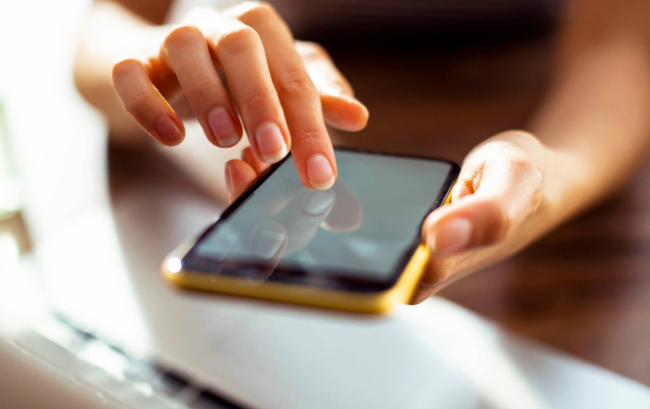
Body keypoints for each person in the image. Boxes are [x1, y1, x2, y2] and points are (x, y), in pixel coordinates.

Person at [75, 0, 650, 303]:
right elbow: (100, 35)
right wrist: (163, 58)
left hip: (530, 90)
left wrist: (548, 174)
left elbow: (619, 48)